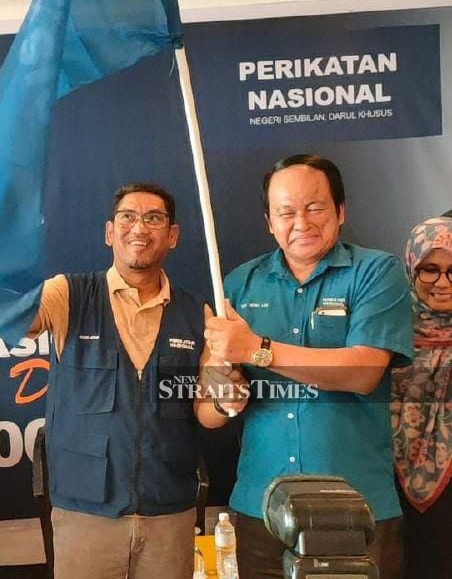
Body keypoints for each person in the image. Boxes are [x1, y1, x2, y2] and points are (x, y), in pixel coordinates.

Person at [202, 154, 412, 579]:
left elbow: (364, 371)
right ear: (269, 221)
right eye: (286, 212)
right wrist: (225, 397)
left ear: (340, 210)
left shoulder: (376, 272)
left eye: (315, 207)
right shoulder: (239, 283)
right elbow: (207, 414)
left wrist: (258, 349)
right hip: (260, 507)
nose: (301, 222)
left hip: (356, 504)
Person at [28, 182, 248, 579]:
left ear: (173, 236)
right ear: (109, 232)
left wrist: (226, 400)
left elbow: (207, 411)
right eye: (128, 217)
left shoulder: (197, 312)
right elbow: (21, 322)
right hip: (86, 514)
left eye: (154, 218)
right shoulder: (68, 294)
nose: (139, 228)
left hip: (169, 513)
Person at [392, 216, 452, 578]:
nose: (443, 283)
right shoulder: (386, 330)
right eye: (430, 269)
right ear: (412, 268)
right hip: (388, 485)